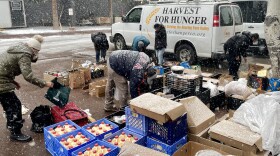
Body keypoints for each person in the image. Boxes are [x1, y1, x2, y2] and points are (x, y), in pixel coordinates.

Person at [0, 35, 54, 142]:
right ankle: (15, 132)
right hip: (1, 81)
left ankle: (12, 122)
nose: (36, 55)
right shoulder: (25, 54)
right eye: (36, 52)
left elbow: (5, 67)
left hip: (3, 78)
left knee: (8, 104)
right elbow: (28, 76)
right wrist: (45, 83)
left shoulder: (19, 47)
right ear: (34, 50)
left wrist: (13, 81)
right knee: (15, 105)